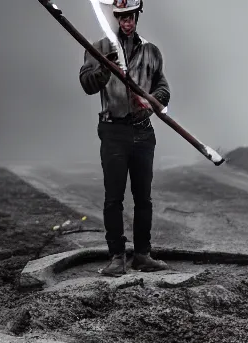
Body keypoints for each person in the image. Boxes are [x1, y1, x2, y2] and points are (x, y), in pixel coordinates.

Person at [79, 0, 170, 276]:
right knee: (113, 198)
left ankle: (142, 254)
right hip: (113, 131)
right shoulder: (100, 48)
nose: (127, 21)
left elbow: (163, 87)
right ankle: (117, 257)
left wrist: (152, 100)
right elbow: (86, 84)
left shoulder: (151, 52)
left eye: (131, 16)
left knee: (143, 198)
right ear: (116, 17)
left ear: (137, 15)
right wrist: (105, 69)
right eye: (122, 17)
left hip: (143, 131)